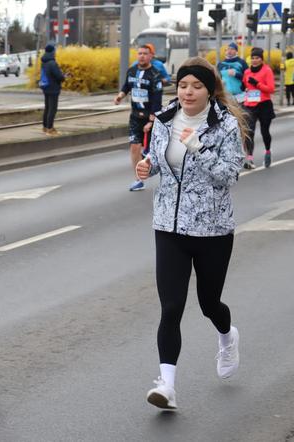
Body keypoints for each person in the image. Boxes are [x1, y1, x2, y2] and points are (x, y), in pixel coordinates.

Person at [135, 57, 247, 410]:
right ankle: (166, 385)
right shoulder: (166, 119)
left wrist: (200, 148)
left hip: (212, 229)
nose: (187, 92)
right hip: (168, 226)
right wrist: (147, 166)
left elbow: (230, 174)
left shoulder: (225, 126)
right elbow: (159, 158)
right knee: (171, 307)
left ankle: (227, 337)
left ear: (209, 90)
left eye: (196, 86)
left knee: (209, 303)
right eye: (183, 85)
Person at [114, 45, 163, 191]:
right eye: (139, 53)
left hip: (150, 117)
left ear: (150, 56)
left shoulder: (155, 74)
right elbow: (126, 87)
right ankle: (139, 179)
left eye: (145, 54)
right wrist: (120, 97)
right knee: (134, 147)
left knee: (153, 151)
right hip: (135, 116)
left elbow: (157, 99)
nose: (142, 56)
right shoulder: (132, 70)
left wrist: (151, 120)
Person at [242, 47, 275, 169]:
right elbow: (245, 85)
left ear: (262, 59)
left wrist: (257, 84)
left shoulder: (267, 71)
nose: (254, 60)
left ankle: (268, 152)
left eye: (257, 58)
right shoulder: (247, 72)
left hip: (264, 105)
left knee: (264, 131)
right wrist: (243, 87)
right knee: (249, 132)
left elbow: (271, 89)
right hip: (250, 105)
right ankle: (249, 159)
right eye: (253, 58)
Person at [39, 44, 65, 135]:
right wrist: (63, 77)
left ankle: (45, 127)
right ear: (52, 51)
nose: (55, 52)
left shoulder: (44, 62)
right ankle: (50, 129)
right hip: (53, 88)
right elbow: (58, 76)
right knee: (52, 109)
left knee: (47, 107)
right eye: (55, 51)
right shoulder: (52, 63)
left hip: (46, 87)